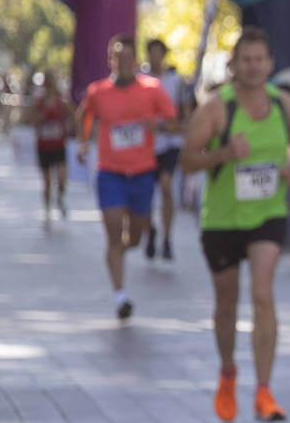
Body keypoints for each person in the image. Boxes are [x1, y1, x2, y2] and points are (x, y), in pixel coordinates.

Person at [182, 26, 290, 423]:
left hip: (268, 215)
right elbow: (187, 159)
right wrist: (224, 153)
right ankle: (227, 373)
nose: (254, 67)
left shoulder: (284, 104)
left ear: (270, 64)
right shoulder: (217, 106)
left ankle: (265, 392)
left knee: (263, 295)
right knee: (226, 304)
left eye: (260, 59)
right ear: (234, 64)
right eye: (246, 60)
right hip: (221, 220)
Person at [76, 35, 178, 320]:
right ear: (111, 60)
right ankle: (120, 295)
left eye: (127, 59)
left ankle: (136, 238)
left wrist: (155, 124)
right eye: (116, 58)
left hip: (143, 173)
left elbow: (171, 119)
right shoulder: (98, 91)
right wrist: (83, 143)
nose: (122, 64)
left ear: (135, 62)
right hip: (110, 173)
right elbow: (83, 114)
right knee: (112, 233)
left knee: (133, 237)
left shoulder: (152, 89)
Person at [143, 39, 192, 262]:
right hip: (145, 145)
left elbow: (186, 114)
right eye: (151, 53)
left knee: (165, 186)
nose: (155, 57)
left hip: (170, 143)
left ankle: (167, 237)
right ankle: (150, 230)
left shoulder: (176, 81)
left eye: (158, 53)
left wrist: (170, 127)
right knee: (144, 195)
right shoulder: (140, 79)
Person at [29, 72, 72, 225]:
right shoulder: (38, 102)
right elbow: (31, 120)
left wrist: (69, 126)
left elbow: (73, 114)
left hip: (59, 145)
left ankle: (60, 198)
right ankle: (47, 210)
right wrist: (38, 119)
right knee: (47, 181)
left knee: (62, 178)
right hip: (44, 145)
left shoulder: (62, 101)